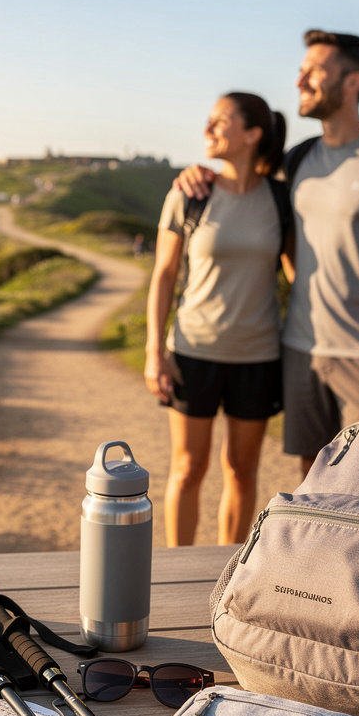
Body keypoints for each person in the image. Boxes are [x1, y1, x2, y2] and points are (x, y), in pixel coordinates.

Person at [179, 31, 359, 479]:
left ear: (352, 82)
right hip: (300, 350)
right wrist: (195, 173)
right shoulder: (295, 160)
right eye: (300, 71)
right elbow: (244, 187)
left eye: (313, 71)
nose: (299, 81)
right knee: (312, 482)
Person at [145, 92, 291, 546]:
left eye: (220, 120)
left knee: (242, 471)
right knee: (189, 468)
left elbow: (298, 272)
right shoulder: (190, 193)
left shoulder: (279, 199)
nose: (208, 128)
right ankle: (176, 568)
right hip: (193, 351)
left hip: (258, 355)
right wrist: (155, 351)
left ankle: (226, 569)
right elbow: (164, 275)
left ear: (252, 134)